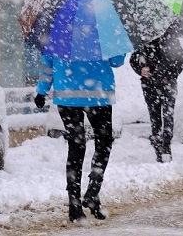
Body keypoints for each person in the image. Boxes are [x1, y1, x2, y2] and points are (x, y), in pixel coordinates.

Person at [34, 53, 125, 223]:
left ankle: (74, 205)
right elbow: (117, 61)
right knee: (103, 143)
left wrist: (41, 91)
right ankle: (93, 191)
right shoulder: (103, 28)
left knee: (76, 147)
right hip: (98, 95)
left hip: (67, 95)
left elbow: (48, 65)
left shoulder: (60, 30)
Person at [129, 19, 183, 162]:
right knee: (155, 117)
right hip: (149, 86)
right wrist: (141, 69)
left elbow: (181, 60)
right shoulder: (143, 43)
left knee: (167, 116)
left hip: (167, 85)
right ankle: (158, 147)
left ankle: (166, 146)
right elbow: (133, 59)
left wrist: (169, 75)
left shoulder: (170, 40)